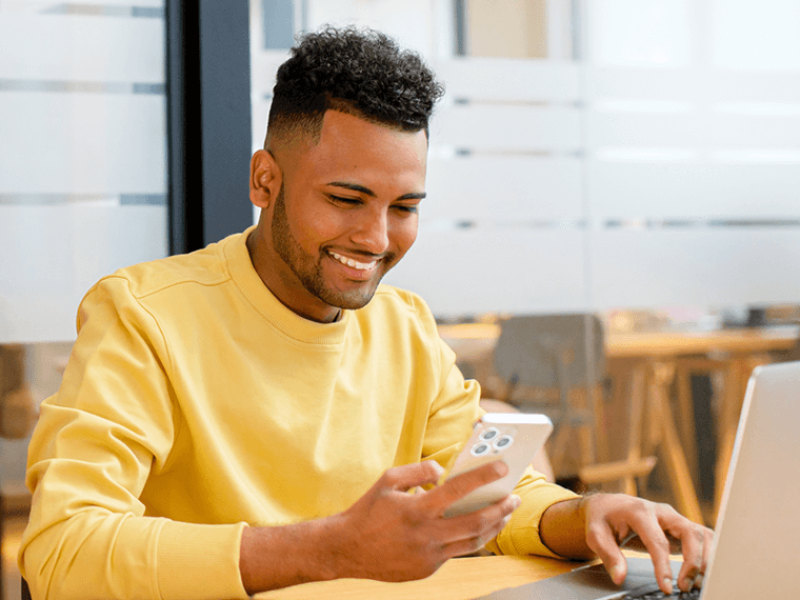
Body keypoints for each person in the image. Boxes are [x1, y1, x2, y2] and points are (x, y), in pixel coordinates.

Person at [19, 27, 712, 600]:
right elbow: (63, 551)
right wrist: (327, 549)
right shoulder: (144, 316)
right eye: (347, 200)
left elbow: (481, 494)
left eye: (404, 208)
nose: (377, 240)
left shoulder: (403, 326)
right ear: (265, 180)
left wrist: (582, 514)